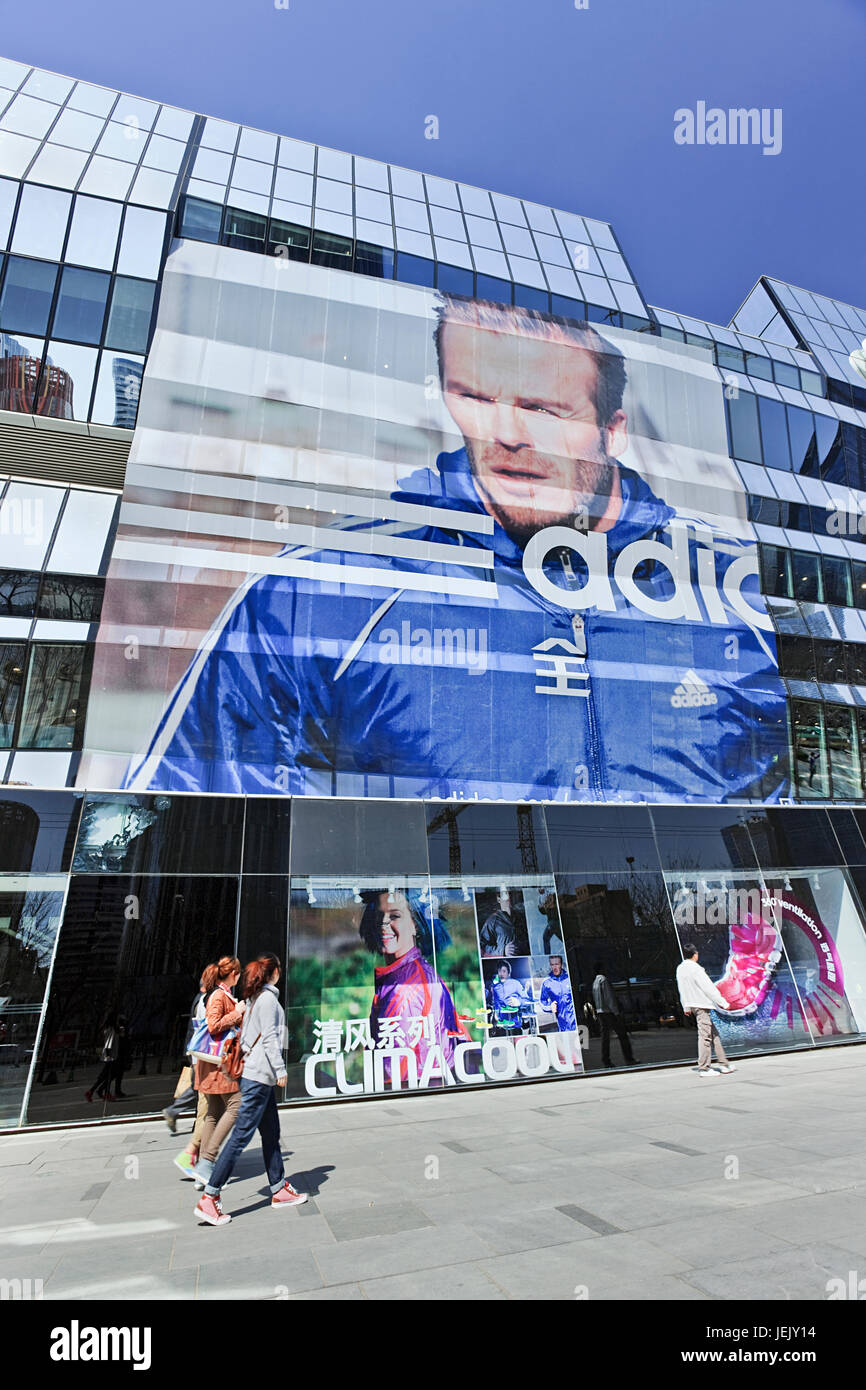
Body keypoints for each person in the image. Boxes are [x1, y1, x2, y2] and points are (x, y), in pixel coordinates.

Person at [128, 296, 788, 804]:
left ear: (613, 431)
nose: (505, 435)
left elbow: (783, 838)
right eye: (474, 398)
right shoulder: (322, 589)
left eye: (546, 409)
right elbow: (186, 827)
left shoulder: (727, 592)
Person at [195, 954, 307, 1226]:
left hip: (258, 1077)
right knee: (240, 1138)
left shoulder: (257, 999)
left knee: (271, 1133)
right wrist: (280, 1070)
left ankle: (279, 1188)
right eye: (279, 968)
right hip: (259, 1078)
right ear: (274, 973)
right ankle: (210, 1197)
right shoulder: (267, 1000)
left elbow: (245, 1039)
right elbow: (268, 1038)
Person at [359, 889, 465, 1075]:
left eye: (395, 915)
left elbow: (392, 1076)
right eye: (379, 915)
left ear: (415, 924)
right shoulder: (418, 971)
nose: (383, 923)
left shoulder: (403, 989)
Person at [192, 956, 246, 1191]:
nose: (240, 976)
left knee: (214, 1113)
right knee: (236, 1107)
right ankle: (208, 1160)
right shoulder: (219, 995)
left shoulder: (223, 994)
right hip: (218, 1066)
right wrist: (239, 1012)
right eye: (239, 972)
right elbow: (214, 1025)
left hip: (214, 1066)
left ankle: (202, 1172)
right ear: (233, 973)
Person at [163, 972, 212, 1176]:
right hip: (204, 1061)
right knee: (206, 1108)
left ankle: (201, 1159)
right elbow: (209, 1030)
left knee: (205, 1106)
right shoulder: (206, 1001)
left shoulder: (199, 1000)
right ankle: (197, 1159)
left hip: (199, 1058)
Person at [675, 943, 735, 1077]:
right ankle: (704, 1068)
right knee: (705, 1037)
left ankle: (724, 1063)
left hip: (693, 1005)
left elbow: (681, 988)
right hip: (702, 1005)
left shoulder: (680, 969)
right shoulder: (696, 969)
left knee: (714, 1035)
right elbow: (708, 988)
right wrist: (723, 1003)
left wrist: (686, 1005)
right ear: (695, 954)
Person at [592, 963, 636, 1068]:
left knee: (605, 1038)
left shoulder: (595, 982)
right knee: (622, 1035)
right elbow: (609, 998)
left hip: (600, 1012)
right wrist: (616, 1012)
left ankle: (606, 1060)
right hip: (609, 1012)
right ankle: (629, 1058)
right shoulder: (604, 980)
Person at [479, 889, 528, 957]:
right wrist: (502, 951)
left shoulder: (521, 918)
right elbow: (482, 947)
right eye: (505, 893)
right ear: (498, 899)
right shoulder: (492, 921)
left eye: (510, 893)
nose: (509, 896)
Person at [488, 961, 533, 1034]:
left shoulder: (516, 983)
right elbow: (494, 1006)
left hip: (515, 1026)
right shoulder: (495, 987)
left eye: (504, 971)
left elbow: (527, 1001)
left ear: (509, 973)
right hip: (500, 1028)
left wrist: (518, 1002)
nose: (501, 974)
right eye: (499, 971)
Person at [85, 1013, 119, 1103]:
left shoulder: (109, 1030)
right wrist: (109, 1057)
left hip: (110, 1056)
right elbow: (108, 1045)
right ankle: (103, 1092)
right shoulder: (111, 1030)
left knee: (106, 1076)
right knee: (109, 1076)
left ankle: (93, 1091)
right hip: (110, 1057)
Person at [539, 955, 576, 1032]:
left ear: (561, 964)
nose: (555, 967)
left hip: (576, 1024)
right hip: (563, 1027)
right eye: (552, 965)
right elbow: (542, 1001)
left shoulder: (570, 979)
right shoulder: (547, 984)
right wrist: (550, 1007)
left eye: (557, 964)